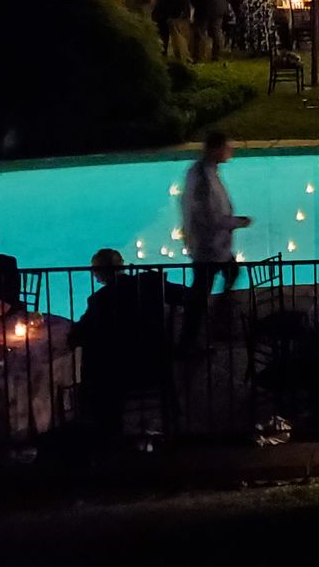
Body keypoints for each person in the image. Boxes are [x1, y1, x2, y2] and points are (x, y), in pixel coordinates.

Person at [71, 248, 184, 437]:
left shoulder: (101, 300)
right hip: (156, 362)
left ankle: (106, 428)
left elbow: (80, 334)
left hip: (120, 372)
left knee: (92, 362)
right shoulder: (149, 284)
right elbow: (183, 294)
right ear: (122, 265)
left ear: (99, 273)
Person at [179, 132, 250, 350]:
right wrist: (236, 222)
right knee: (200, 294)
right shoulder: (203, 177)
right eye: (226, 147)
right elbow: (208, 217)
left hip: (213, 245)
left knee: (228, 274)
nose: (230, 151)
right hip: (208, 247)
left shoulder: (205, 172)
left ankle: (217, 320)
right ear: (215, 149)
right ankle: (191, 341)